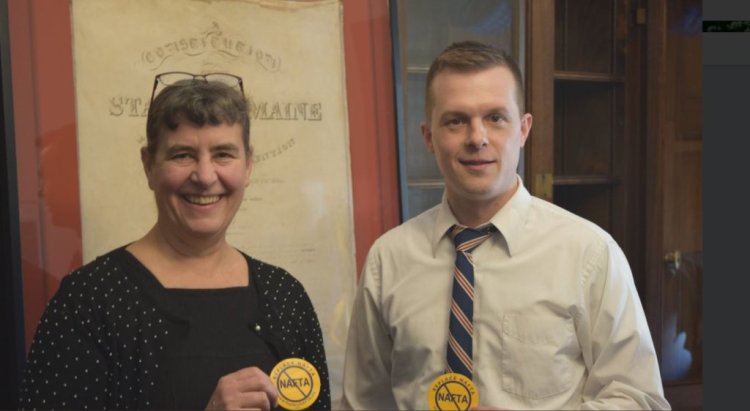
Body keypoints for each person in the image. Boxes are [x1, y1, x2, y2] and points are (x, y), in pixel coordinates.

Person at [340, 41, 670, 410]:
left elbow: (641, 401)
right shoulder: (388, 260)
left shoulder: (589, 254)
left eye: (496, 117)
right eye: (456, 120)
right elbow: (361, 404)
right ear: (429, 138)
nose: (477, 138)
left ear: (524, 129)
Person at [19, 72, 331, 410]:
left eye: (224, 154)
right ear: (149, 165)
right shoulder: (90, 300)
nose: (205, 176)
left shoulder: (285, 296)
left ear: (249, 166)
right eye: (182, 155)